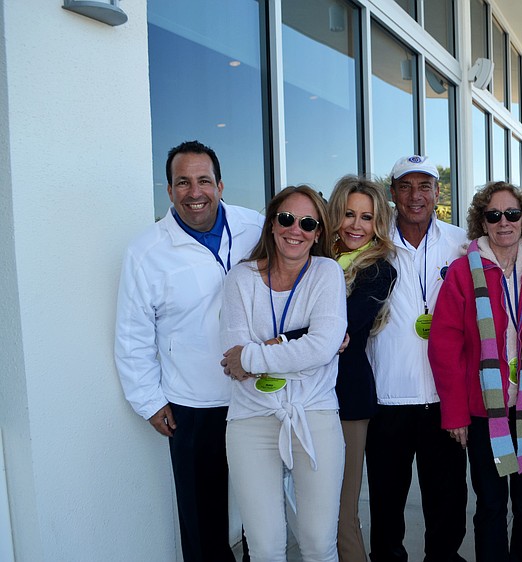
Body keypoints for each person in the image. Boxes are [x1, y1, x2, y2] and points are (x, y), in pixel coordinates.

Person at [115, 140, 262, 562]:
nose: (194, 192)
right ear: (169, 190)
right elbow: (132, 333)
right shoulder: (146, 251)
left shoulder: (254, 226)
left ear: (219, 184)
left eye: (203, 181)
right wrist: (149, 400)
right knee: (203, 523)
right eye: (183, 182)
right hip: (193, 404)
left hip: (258, 393)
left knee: (265, 512)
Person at [429, 181, 522, 561]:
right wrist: (454, 413)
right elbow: (445, 347)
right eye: (494, 215)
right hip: (484, 411)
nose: (503, 222)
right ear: (482, 222)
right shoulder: (461, 273)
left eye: (512, 214)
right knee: (490, 505)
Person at [220, 185, 347, 562]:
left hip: (315, 415)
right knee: (264, 546)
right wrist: (297, 350)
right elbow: (232, 355)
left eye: (308, 223)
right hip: (251, 419)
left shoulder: (326, 273)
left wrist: (255, 356)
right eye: (287, 219)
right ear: (272, 224)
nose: (296, 229)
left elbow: (322, 347)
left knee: (318, 543)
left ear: (318, 232)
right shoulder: (240, 278)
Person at [365, 155, 469, 562]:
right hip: (387, 397)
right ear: (392, 194)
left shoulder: (460, 243)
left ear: (437, 192)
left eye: (424, 186)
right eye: (405, 186)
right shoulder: (374, 241)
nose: (415, 196)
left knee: (447, 506)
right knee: (387, 507)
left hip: (444, 398)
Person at [327, 176, 398, 562]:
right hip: (300, 396)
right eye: (349, 214)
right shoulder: (315, 257)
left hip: (348, 401)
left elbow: (339, 328)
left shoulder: (378, 269)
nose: (356, 225)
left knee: (341, 513)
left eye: (367, 217)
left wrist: (278, 340)